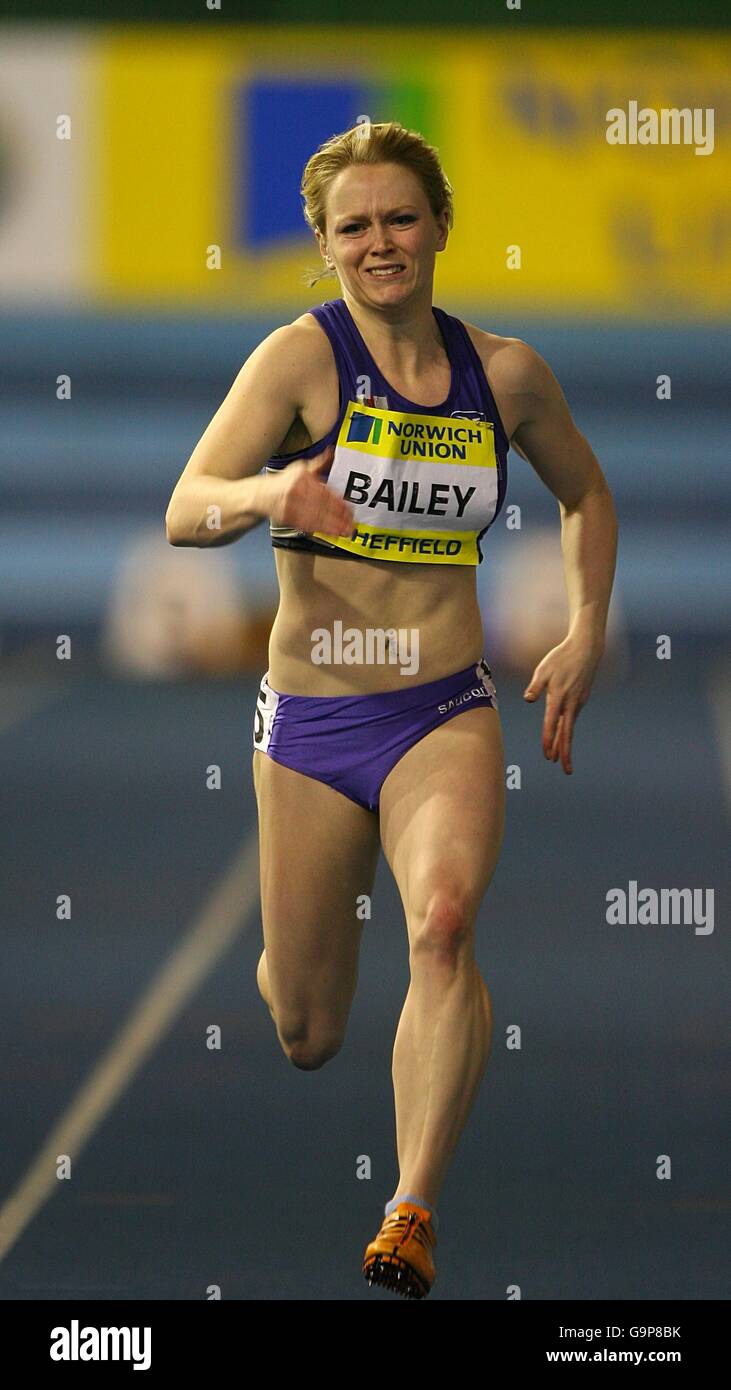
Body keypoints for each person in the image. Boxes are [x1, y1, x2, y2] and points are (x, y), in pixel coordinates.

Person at [165, 121, 618, 1299]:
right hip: (315, 722)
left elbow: (585, 492)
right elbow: (185, 506)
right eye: (353, 225)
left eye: (399, 218)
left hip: (440, 707)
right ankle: (291, 951)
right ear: (321, 244)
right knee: (307, 1031)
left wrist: (582, 628)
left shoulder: (504, 372)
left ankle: (409, 1210)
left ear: (438, 226)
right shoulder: (296, 363)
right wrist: (276, 488)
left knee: (444, 923)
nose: (380, 243)